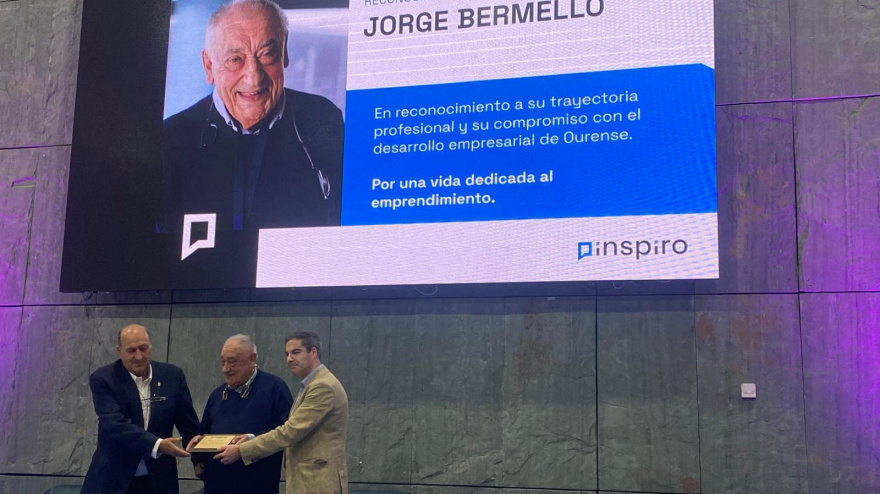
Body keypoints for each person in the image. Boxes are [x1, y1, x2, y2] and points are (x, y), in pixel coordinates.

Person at [160, 0, 344, 240]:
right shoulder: (173, 139)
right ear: (209, 66)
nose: (254, 78)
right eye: (235, 59)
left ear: (285, 52)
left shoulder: (323, 120)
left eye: (267, 54)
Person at [214, 331, 349, 494]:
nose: (289, 359)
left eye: (296, 352)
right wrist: (250, 437)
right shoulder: (312, 384)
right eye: (287, 354)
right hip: (309, 480)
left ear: (313, 352)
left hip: (317, 482)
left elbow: (289, 432)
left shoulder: (323, 386)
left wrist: (243, 450)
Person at [82, 324, 200, 494]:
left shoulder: (173, 376)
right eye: (131, 350)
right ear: (119, 351)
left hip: (158, 481)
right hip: (113, 480)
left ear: (150, 347)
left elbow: (188, 423)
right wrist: (158, 445)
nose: (139, 356)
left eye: (143, 348)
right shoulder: (104, 379)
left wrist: (198, 459)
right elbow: (115, 424)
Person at [187, 335, 293, 494]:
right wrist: (197, 455)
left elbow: (286, 433)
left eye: (232, 362)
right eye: (222, 361)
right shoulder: (217, 394)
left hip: (258, 486)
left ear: (252, 359)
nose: (225, 369)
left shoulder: (275, 388)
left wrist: (248, 443)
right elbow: (204, 431)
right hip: (216, 486)